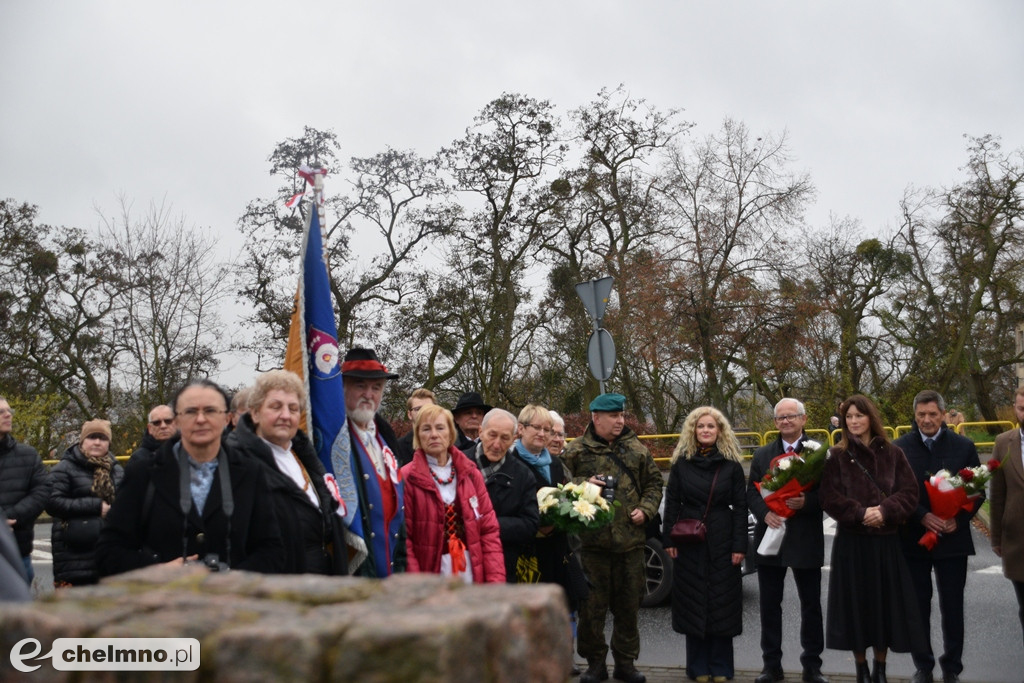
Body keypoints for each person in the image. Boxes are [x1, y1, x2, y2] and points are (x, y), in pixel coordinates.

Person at [96, 379, 284, 575]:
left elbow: (271, 550)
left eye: (211, 411)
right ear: (177, 421)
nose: (201, 419)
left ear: (227, 419)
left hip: (233, 602)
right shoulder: (143, 473)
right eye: (191, 411)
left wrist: (236, 578)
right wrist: (158, 569)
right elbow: (108, 552)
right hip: (164, 600)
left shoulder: (250, 472)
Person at [820, 394, 926, 683]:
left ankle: (880, 668)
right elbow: (829, 497)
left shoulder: (893, 453)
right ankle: (861, 669)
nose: (854, 421)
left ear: (870, 418)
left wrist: (885, 510)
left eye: (859, 416)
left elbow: (909, 492)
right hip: (851, 544)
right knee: (855, 606)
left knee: (883, 606)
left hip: (885, 543)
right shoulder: (836, 456)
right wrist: (859, 513)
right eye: (849, 417)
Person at [563, 393, 663, 683]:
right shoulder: (577, 450)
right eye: (614, 416)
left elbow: (655, 483)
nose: (620, 421)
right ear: (596, 418)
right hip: (591, 547)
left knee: (629, 608)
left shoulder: (636, 449)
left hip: (630, 545)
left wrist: (646, 509)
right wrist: (583, 484)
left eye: (622, 415)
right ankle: (595, 664)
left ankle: (626, 664)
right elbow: (559, 483)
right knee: (591, 611)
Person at [895, 390, 981, 683]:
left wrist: (959, 518)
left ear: (943, 415)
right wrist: (922, 515)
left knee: (952, 606)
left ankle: (952, 667)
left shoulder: (964, 446)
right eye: (921, 415)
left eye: (933, 414)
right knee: (917, 606)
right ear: (915, 415)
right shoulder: (900, 448)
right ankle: (923, 666)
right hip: (913, 539)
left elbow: (976, 490)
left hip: (952, 540)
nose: (927, 420)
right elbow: (896, 491)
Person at [226, 370, 348, 575]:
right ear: (255, 413)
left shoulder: (303, 455)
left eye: (293, 409)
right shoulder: (235, 460)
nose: (285, 415)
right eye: (275, 407)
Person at [663, 406, 747, 683]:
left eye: (711, 426)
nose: (706, 430)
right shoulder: (681, 464)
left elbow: (740, 507)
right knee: (692, 601)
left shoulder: (732, 465)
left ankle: (721, 666)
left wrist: (739, 546)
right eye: (701, 427)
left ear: (720, 430)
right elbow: (672, 502)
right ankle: (697, 666)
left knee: (722, 603)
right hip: (689, 538)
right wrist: (668, 539)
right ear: (693, 431)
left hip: (722, 538)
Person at [747, 398, 828, 683]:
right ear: (775, 423)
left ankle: (812, 667)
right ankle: (771, 666)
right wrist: (765, 512)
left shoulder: (818, 453)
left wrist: (807, 501)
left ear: (804, 419)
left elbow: (830, 496)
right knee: (769, 606)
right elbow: (752, 493)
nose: (786, 422)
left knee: (811, 606)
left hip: (806, 539)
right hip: (771, 538)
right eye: (780, 418)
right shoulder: (762, 454)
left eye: (791, 416)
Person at [401, 403, 504, 583]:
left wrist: (495, 581)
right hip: (430, 577)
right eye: (426, 429)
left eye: (440, 428)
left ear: (450, 433)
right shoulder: (407, 478)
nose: (434, 434)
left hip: (470, 571)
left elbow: (489, 531)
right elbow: (404, 541)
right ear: (418, 435)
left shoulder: (471, 474)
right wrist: (417, 587)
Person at [342, 347, 406, 577]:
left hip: (391, 574)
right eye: (360, 385)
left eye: (376, 387)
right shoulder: (334, 443)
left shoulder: (387, 440)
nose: (369, 394)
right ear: (343, 388)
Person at [47, 419, 125, 587]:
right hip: (74, 559)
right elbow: (52, 502)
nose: (97, 442)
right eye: (92, 437)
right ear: (82, 442)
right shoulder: (64, 468)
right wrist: (96, 507)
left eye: (102, 438)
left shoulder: (117, 470)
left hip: (110, 557)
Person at [471, 408, 539, 582]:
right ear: (480, 431)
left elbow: (530, 524)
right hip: (462, 565)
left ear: (514, 438)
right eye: (492, 435)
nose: (496, 444)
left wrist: (487, 525)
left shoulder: (523, 475)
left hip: (503, 567)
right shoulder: (457, 465)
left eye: (505, 438)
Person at [0, 395, 50, 588]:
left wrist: (11, 518)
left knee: (19, 615)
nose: (8, 415)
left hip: (18, 553)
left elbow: (41, 491)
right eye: (1, 412)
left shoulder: (28, 455)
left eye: (9, 411)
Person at [990, 385, 1024, 648]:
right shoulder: (1003, 442)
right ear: (1015, 408)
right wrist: (996, 538)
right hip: (1017, 541)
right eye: (1022, 408)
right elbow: (998, 493)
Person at [396, 388, 436, 467]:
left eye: (429, 408)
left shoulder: (447, 444)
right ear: (409, 414)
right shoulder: (398, 448)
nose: (424, 412)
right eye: (418, 409)